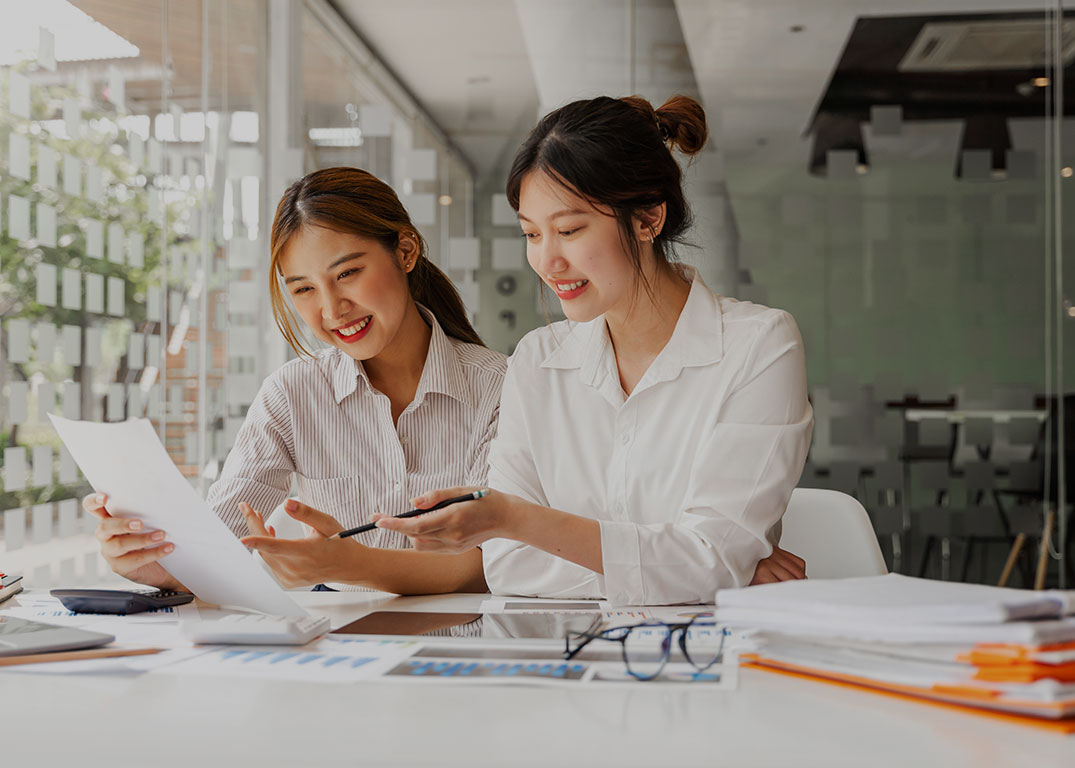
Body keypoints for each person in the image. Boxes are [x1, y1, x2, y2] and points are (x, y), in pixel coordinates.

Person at [374, 95, 813, 604]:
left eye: (568, 230)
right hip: (564, 660)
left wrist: (522, 522)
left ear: (648, 218)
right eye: (531, 234)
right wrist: (695, 569)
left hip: (708, 660)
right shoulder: (537, 359)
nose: (547, 261)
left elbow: (710, 558)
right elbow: (507, 564)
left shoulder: (759, 346)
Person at [83, 167, 506, 594]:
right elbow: (214, 549)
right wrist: (142, 558)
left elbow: (490, 564)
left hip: (465, 652)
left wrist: (349, 566)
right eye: (304, 289)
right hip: (341, 655)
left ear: (406, 251)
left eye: (347, 274)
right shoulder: (292, 394)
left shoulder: (499, 388)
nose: (333, 309)